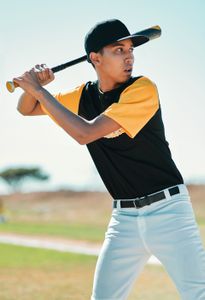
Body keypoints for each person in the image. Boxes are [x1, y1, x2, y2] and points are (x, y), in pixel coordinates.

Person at [15, 19, 205, 300]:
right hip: (124, 218)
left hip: (168, 211)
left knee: (198, 292)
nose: (129, 56)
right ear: (95, 58)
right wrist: (30, 87)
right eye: (119, 50)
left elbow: (85, 133)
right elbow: (27, 109)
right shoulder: (85, 95)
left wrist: (38, 90)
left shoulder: (142, 89)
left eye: (130, 50)